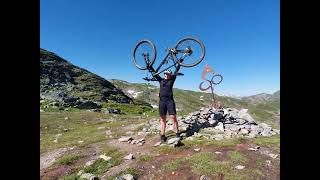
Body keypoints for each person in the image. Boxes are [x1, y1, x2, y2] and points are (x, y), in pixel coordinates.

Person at [150, 65, 182, 143]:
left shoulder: (171, 80)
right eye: (165, 74)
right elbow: (155, 73)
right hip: (162, 102)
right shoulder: (160, 80)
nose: (166, 75)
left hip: (170, 101)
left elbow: (175, 72)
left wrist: (179, 64)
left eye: (167, 74)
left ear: (170, 75)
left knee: (173, 117)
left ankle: (177, 133)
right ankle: (162, 135)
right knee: (163, 119)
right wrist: (150, 67)